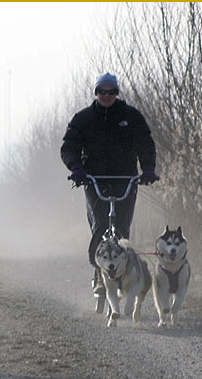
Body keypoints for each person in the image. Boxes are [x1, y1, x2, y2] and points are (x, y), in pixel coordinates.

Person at [60, 72, 159, 297]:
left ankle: (124, 276)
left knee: (122, 229)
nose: (107, 96)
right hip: (94, 180)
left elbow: (145, 142)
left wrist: (148, 169)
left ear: (116, 93)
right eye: (102, 92)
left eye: (111, 91)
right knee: (101, 224)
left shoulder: (130, 116)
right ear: (96, 93)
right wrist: (76, 168)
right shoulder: (83, 118)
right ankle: (98, 274)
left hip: (126, 180)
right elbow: (69, 145)